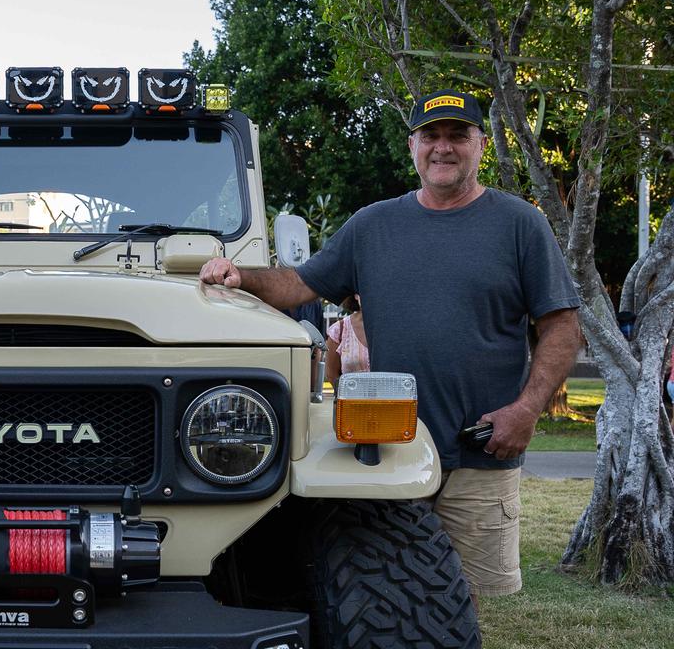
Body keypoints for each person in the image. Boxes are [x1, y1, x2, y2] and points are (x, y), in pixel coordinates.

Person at [200, 89, 581, 605]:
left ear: (481, 145)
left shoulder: (520, 225)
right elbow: (296, 285)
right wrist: (239, 275)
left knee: (470, 606)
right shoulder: (372, 226)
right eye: (431, 136)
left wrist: (527, 410)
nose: (442, 148)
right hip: (388, 456)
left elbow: (562, 326)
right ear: (412, 146)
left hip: (481, 452)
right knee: (391, 599)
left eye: (457, 135)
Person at [325, 294, 369, 386]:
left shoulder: (393, 327)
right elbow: (331, 374)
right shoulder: (339, 329)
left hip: (388, 400)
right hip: (351, 399)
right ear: (356, 295)